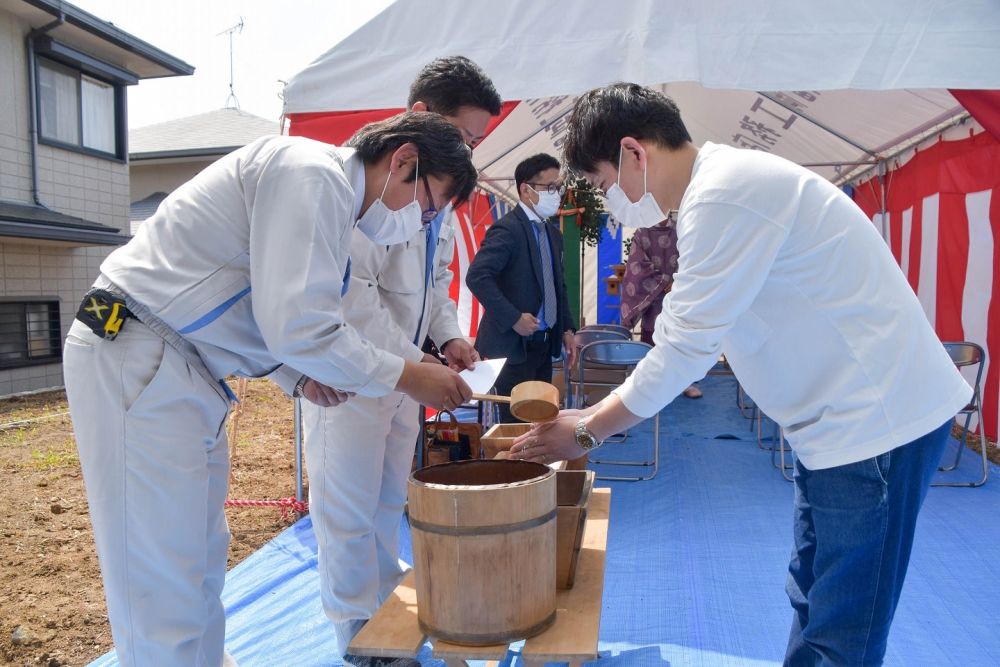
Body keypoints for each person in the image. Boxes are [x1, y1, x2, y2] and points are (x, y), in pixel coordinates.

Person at [509, 83, 971, 666]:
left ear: (633, 151)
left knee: (844, 622)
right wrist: (591, 417)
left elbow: (685, 346)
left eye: (605, 183)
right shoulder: (718, 191)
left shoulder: (726, 195)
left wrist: (587, 430)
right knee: (812, 593)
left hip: (873, 426)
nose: (612, 198)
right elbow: (691, 328)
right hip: (834, 427)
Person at [62, 111, 477, 667]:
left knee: (199, 564)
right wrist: (408, 373)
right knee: (162, 585)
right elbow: (301, 324)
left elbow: (263, 301)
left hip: (180, 365)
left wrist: (297, 374)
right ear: (404, 159)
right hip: (137, 347)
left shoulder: (328, 197)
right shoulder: (312, 174)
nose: (420, 223)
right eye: (427, 207)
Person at [299, 56, 502, 667]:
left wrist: (449, 339)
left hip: (404, 376)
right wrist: (417, 364)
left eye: (475, 143)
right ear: (419, 120)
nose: (467, 151)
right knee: (346, 510)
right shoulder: (367, 187)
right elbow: (354, 299)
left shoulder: (433, 195)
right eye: (464, 135)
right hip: (353, 374)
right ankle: (358, 639)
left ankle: (386, 616)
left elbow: (434, 283)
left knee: (389, 500)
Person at [466, 153, 577, 422]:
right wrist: (513, 317)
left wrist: (567, 328)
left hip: (543, 345)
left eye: (558, 187)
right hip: (511, 347)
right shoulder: (507, 229)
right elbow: (478, 276)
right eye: (549, 187)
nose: (556, 194)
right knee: (516, 425)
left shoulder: (553, 234)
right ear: (525, 190)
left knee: (542, 419)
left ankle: (537, 464)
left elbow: (557, 284)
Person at [620, 216, 702, 398]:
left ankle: (684, 382)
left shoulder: (682, 229)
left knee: (680, 337)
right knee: (652, 338)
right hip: (653, 296)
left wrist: (678, 281)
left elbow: (693, 259)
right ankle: (652, 382)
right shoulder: (642, 232)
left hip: (679, 293)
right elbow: (637, 265)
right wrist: (663, 282)